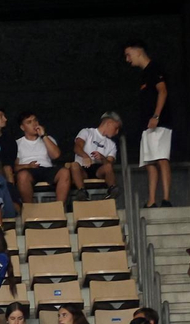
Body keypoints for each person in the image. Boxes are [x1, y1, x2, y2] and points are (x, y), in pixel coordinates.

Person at [124, 41, 173, 208]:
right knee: (149, 162)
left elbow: (163, 91)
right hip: (147, 125)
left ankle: (166, 199)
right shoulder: (144, 74)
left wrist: (156, 115)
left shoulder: (154, 68)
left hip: (159, 122)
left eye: (128, 55)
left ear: (138, 52)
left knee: (161, 158)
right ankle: (151, 200)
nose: (127, 59)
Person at [70, 112, 123, 198]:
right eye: (116, 128)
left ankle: (112, 190)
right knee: (74, 165)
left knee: (108, 166)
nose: (117, 132)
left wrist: (102, 158)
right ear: (109, 123)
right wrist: (85, 156)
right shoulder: (87, 132)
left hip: (99, 170)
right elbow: (77, 147)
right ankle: (81, 191)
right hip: (83, 169)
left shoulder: (111, 144)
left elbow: (110, 163)